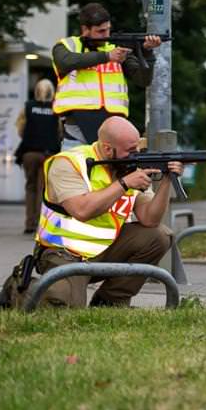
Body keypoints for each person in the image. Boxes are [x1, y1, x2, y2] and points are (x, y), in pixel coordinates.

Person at [31, 116, 181, 307]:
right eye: (130, 150)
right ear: (108, 149)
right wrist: (124, 184)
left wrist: (167, 181)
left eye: (136, 148)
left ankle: (110, 301)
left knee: (159, 236)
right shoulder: (69, 163)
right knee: (63, 309)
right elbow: (82, 210)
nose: (135, 155)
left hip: (105, 249)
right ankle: (19, 293)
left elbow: (150, 219)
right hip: (64, 252)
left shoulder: (128, 167)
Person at [52, 3, 161, 149]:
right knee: (75, 171)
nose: (107, 35)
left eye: (108, 29)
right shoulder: (67, 46)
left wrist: (147, 52)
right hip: (77, 127)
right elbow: (65, 62)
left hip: (114, 129)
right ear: (85, 29)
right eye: (101, 31)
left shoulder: (115, 49)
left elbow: (143, 80)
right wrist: (107, 56)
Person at [14, 79, 61, 235]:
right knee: (44, 190)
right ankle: (42, 224)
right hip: (49, 155)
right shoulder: (56, 108)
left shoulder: (28, 107)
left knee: (31, 187)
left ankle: (29, 224)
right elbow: (60, 133)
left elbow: (20, 129)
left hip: (30, 153)